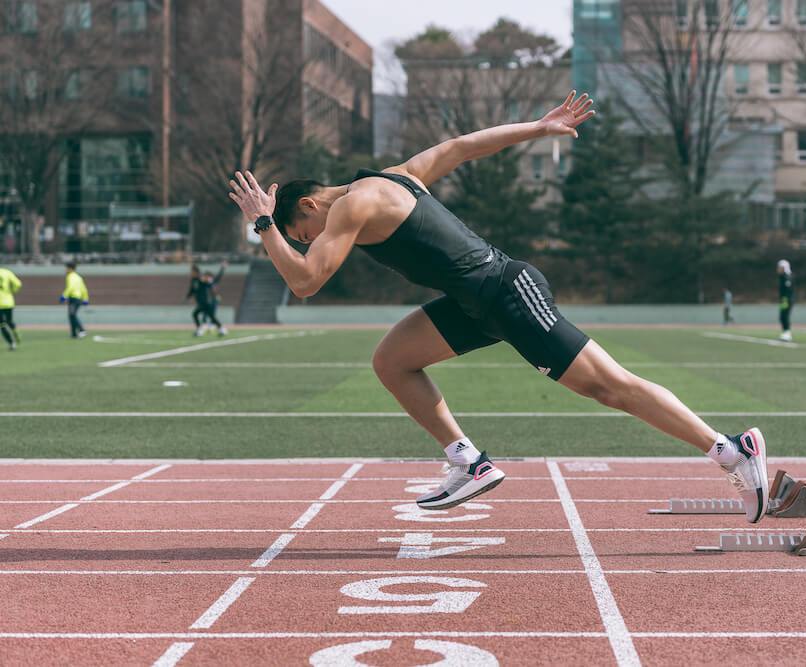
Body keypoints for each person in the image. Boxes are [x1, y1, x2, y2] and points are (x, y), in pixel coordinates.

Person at [228, 91, 769, 522]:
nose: (307, 242)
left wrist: (264, 225)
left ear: (307, 205)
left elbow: (305, 282)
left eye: (302, 232)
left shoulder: (352, 205)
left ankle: (731, 450)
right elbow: (462, 145)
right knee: (392, 360)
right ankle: (469, 462)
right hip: (472, 302)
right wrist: (537, 127)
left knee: (610, 386)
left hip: (506, 291)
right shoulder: (394, 175)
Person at [188, 262, 228, 336]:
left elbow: (214, 281)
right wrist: (188, 297)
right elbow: (192, 290)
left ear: (196, 272)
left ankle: (219, 329)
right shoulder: (194, 280)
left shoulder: (201, 279)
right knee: (199, 315)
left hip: (206, 302)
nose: (191, 273)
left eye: (192, 272)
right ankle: (220, 329)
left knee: (207, 316)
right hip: (201, 302)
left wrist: (222, 269)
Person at [60, 262, 89, 339]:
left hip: (74, 298)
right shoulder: (79, 277)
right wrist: (85, 298)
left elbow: (70, 287)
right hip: (79, 299)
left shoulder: (70, 276)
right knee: (71, 315)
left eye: (66, 268)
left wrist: (64, 296)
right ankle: (73, 334)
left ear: (70, 268)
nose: (65, 270)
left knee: (72, 314)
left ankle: (82, 330)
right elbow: (84, 289)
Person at [0, 266, 22, 351]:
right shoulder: (7, 272)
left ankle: (12, 344)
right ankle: (15, 331)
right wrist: (13, 291)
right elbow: (18, 284)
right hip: (9, 301)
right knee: (9, 321)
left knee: (2, 325)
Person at [777, 259, 794, 342]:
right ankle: (785, 332)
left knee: (785, 316)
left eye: (780, 267)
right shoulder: (782, 277)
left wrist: (785, 299)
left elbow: (788, 290)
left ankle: (787, 333)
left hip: (787, 300)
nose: (778, 269)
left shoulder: (787, 277)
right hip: (784, 300)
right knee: (782, 316)